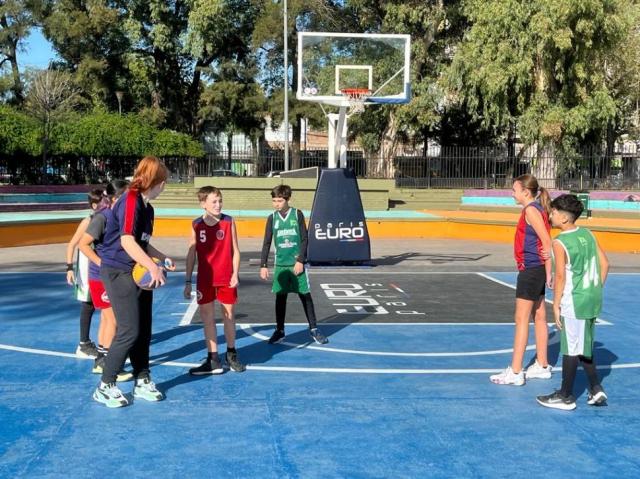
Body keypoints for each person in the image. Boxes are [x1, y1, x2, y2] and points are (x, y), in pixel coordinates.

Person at [92, 156, 175, 408]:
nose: (165, 187)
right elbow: (127, 241)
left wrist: (161, 257)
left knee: (144, 330)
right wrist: (152, 267)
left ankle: (142, 380)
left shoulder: (147, 208)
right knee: (129, 329)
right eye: (164, 182)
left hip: (135, 271)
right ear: (156, 181)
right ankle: (105, 385)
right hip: (118, 271)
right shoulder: (130, 200)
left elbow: (141, 242)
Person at [537, 194, 609, 410]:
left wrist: (556, 304)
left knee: (570, 348)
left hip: (574, 301)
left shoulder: (560, 242)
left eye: (553, 212)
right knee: (583, 344)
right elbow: (605, 264)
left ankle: (566, 396)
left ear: (564, 217)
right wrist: (594, 289)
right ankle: (596, 388)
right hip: (592, 298)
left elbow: (560, 276)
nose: (550, 215)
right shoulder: (588, 234)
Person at [490, 174, 553, 385]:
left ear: (526, 192)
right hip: (537, 269)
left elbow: (546, 241)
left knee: (521, 319)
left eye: (514, 190)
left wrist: (550, 270)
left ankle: (516, 371)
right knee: (540, 316)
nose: (512, 193)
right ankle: (542, 365)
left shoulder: (530, 210)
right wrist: (548, 270)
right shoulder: (537, 209)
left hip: (531, 270)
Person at [184, 186, 246, 375]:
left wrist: (235, 274)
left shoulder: (228, 222)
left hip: (226, 277)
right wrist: (188, 281)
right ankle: (213, 358)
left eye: (220, 201)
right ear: (203, 204)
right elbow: (191, 254)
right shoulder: (196, 225)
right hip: (205, 279)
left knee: (229, 316)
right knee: (208, 319)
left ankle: (231, 353)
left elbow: (235, 250)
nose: (218, 205)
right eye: (214, 201)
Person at [78, 180, 133, 381]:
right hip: (101, 276)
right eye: (128, 196)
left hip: (108, 274)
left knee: (107, 319)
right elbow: (83, 245)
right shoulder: (103, 217)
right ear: (116, 198)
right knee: (113, 320)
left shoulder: (120, 217)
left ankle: (101, 359)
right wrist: (102, 263)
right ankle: (109, 363)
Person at [260, 184, 328, 345]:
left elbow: (305, 239)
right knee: (280, 298)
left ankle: (313, 329)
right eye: (274, 200)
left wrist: (300, 261)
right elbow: (267, 242)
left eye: (280, 200)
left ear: (287, 199)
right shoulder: (272, 218)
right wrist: (263, 264)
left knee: (305, 295)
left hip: (296, 264)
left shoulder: (297, 214)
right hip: (281, 265)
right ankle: (280, 330)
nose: (276, 204)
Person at [65, 188, 104, 358]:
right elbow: (71, 244)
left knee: (103, 303)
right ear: (95, 205)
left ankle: (108, 341)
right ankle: (83, 344)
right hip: (87, 267)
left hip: (100, 267)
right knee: (88, 304)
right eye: (104, 200)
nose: (108, 202)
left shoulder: (106, 219)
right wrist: (69, 268)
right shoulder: (88, 221)